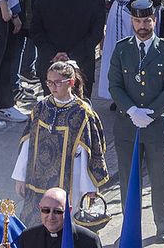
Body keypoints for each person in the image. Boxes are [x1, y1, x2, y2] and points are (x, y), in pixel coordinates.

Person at [109, 0, 164, 240]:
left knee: (161, 179)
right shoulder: (122, 50)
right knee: (130, 182)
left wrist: (149, 114)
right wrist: (131, 110)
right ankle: (130, 228)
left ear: (154, 20)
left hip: (157, 127)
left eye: (147, 22)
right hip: (127, 127)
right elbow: (114, 86)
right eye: (138, 22)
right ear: (131, 21)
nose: (142, 27)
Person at [12, 58, 108, 224]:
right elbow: (28, 143)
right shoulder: (41, 107)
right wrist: (20, 176)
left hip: (71, 182)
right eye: (49, 82)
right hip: (37, 183)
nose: (52, 87)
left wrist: (90, 188)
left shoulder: (82, 113)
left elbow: (90, 153)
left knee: (65, 228)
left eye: (57, 82)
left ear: (70, 82)